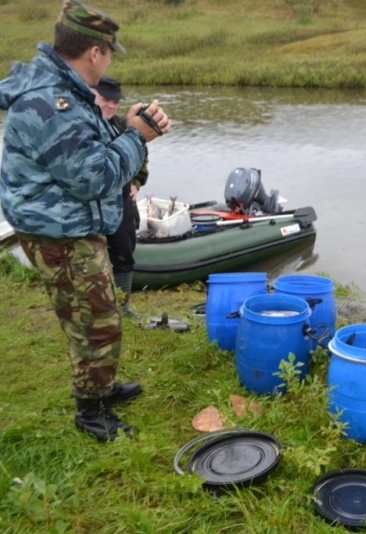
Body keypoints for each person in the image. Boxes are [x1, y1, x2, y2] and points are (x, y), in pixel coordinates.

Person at [0, 0, 172, 441]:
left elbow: (90, 151)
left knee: (95, 313)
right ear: (95, 52)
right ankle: (91, 411)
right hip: (59, 230)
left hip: (64, 223)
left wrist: (129, 129)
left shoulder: (65, 91)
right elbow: (94, 177)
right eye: (110, 51)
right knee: (95, 320)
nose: (110, 59)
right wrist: (138, 136)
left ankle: (101, 386)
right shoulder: (53, 102)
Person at [92, 76, 148, 318]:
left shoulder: (123, 126)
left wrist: (136, 182)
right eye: (106, 99)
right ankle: (97, 308)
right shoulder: (82, 125)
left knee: (124, 253)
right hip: (91, 204)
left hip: (123, 199)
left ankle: (123, 307)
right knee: (92, 258)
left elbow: (141, 155)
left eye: (115, 101)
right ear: (92, 95)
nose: (111, 106)